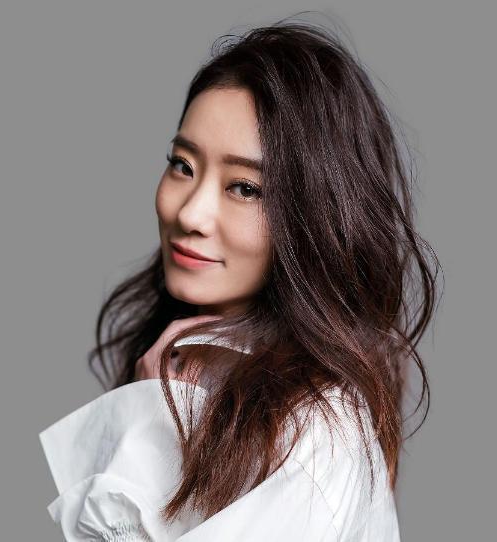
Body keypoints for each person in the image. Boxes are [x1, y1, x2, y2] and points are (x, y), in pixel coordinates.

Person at [39, 16, 439, 541]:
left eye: (245, 188)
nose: (190, 213)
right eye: (183, 165)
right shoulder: (192, 367)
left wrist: (150, 431)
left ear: (316, 216)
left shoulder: (317, 433)